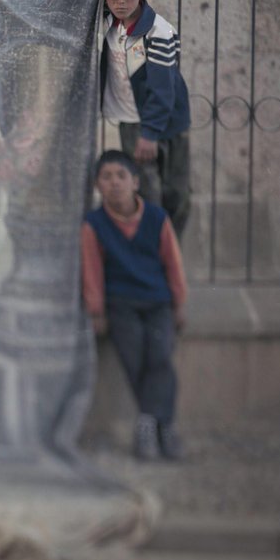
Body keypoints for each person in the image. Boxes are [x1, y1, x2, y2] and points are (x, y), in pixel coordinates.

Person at [81, 149, 188, 461]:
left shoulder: (157, 218)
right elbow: (91, 270)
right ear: (98, 185)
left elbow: (173, 263)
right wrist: (96, 311)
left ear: (135, 182)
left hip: (158, 302)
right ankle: (157, 428)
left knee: (160, 358)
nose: (115, 183)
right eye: (106, 177)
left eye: (121, 176)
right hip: (121, 303)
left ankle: (156, 426)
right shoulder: (94, 224)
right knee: (135, 360)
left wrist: (179, 303)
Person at [98, 0, 191, 238]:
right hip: (130, 121)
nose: (120, 1)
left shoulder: (158, 32)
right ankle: (149, 250)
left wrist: (150, 133)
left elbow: (163, 88)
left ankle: (170, 250)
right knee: (145, 193)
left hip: (165, 124)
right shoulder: (106, 24)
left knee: (176, 193)